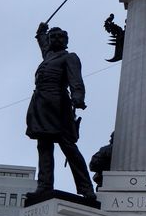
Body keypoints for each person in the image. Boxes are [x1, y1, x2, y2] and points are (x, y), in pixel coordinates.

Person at [26, 22, 95, 199]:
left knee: (68, 146)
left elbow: (76, 80)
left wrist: (78, 97)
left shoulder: (69, 57)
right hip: (40, 104)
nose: (56, 39)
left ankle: (86, 188)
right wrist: (41, 31)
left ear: (66, 41)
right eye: (52, 36)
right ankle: (44, 186)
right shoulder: (48, 55)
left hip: (58, 104)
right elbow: (42, 42)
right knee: (44, 146)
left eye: (60, 36)